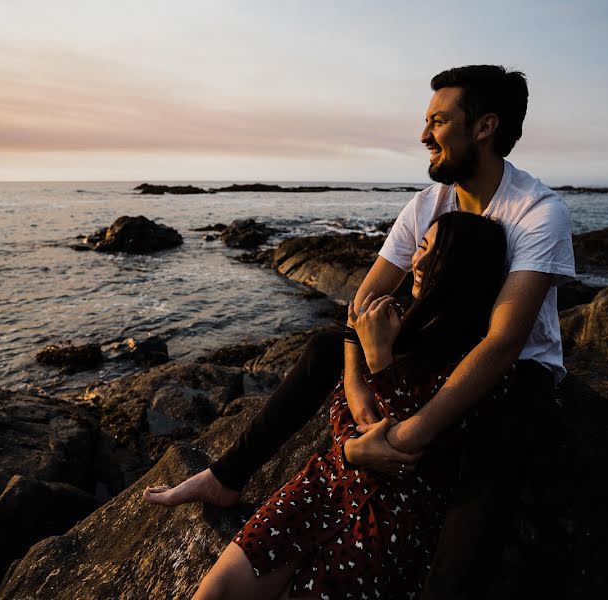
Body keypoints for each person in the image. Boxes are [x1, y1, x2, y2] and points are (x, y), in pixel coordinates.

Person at [145, 64, 576, 598]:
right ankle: (228, 477)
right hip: (435, 345)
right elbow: (362, 302)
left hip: (516, 366)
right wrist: (360, 397)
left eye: (438, 121)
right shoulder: (427, 205)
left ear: (484, 128)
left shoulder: (538, 211)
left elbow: (504, 341)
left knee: (500, 437)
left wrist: (405, 436)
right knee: (327, 346)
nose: (423, 135)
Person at [193, 211, 512, 599]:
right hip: (326, 483)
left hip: (391, 518)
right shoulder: (395, 321)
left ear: (466, 269)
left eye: (437, 256)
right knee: (215, 591)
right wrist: (350, 446)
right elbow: (345, 400)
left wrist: (379, 360)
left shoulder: (478, 365)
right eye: (421, 248)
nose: (419, 262)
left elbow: (411, 446)